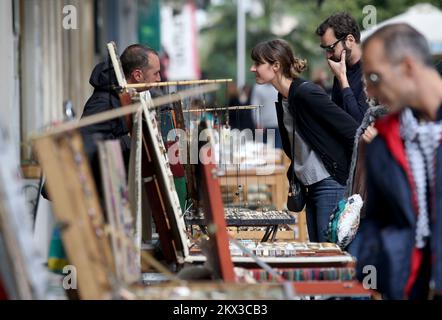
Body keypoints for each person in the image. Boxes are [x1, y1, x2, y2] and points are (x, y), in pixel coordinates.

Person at [358, 23, 442, 300]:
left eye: (374, 76)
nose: (369, 89)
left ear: (407, 66)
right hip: (409, 287)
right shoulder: (383, 139)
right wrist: (376, 273)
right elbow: (377, 219)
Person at [250, 39, 358, 242]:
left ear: (275, 65)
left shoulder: (306, 93)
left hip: (329, 182)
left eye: (257, 63)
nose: (252, 68)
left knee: (330, 254)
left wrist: (351, 177)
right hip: (311, 185)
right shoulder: (285, 97)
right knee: (319, 250)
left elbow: (352, 130)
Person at [316, 12, 369, 124]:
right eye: (325, 50)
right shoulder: (342, 70)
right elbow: (337, 119)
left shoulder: (371, 70)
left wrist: (342, 79)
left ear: (349, 40)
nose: (328, 56)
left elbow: (360, 124)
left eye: (331, 48)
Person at [250, 83, 281, 149]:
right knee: (262, 150)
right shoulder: (258, 88)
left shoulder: (279, 86)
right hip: (263, 126)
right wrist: (258, 122)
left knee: (277, 151)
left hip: (278, 125)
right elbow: (255, 107)